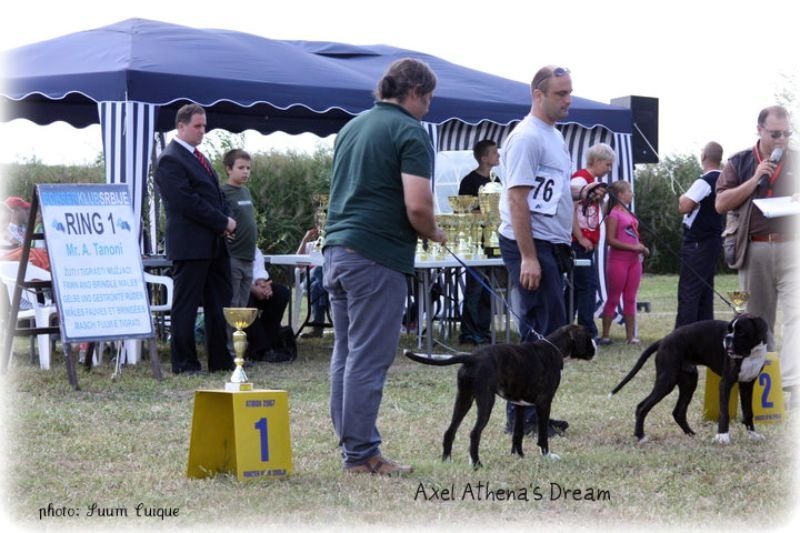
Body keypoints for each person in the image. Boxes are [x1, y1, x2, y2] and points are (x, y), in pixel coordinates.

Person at [322, 58, 446, 476]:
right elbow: (417, 204)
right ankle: (361, 455)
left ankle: (351, 446)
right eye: (428, 99)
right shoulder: (410, 131)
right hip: (377, 256)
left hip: (337, 252)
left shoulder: (352, 127)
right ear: (415, 93)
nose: (428, 108)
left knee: (345, 353)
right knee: (368, 359)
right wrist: (436, 233)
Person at [497, 65, 576, 435]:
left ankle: (535, 410)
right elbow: (517, 199)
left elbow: (551, 190)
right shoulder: (527, 137)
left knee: (550, 330)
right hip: (530, 243)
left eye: (569, 92)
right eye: (560, 93)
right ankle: (522, 416)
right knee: (539, 333)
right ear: (538, 95)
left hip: (550, 242)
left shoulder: (554, 136)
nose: (568, 99)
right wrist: (529, 256)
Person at [715, 105, 799, 408]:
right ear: (759, 130)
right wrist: (754, 181)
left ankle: (791, 384)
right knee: (759, 322)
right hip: (756, 247)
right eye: (775, 134)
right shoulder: (739, 161)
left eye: (786, 134)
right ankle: (768, 384)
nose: (781, 140)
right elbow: (721, 203)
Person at [154, 103, 237, 375]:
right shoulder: (170, 159)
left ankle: (220, 359)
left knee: (218, 305)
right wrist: (222, 221)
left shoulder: (199, 157)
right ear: (180, 126)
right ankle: (185, 362)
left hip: (214, 243)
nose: (203, 131)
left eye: (204, 125)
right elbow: (186, 203)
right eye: (197, 126)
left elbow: (217, 195)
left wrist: (226, 218)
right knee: (186, 307)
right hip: (191, 246)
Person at [566, 143, 614, 339]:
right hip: (579, 241)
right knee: (587, 285)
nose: (608, 169)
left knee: (579, 286)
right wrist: (580, 236)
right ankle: (587, 330)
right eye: (607, 164)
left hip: (587, 240)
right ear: (596, 161)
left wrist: (601, 201)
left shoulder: (592, 182)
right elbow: (570, 210)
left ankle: (568, 324)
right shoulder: (580, 180)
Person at [675, 141, 724, 328]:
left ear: (703, 157)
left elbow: (684, 206)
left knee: (689, 291)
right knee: (705, 290)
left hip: (697, 242)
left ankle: (682, 337)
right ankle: (704, 333)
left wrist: (682, 197)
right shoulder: (724, 180)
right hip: (713, 241)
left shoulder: (704, 181)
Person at [457, 139, 500, 345]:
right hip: (476, 241)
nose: (498, 155)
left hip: (493, 240)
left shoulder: (496, 180)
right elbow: (462, 210)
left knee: (488, 287)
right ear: (484, 158)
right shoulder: (469, 181)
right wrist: (484, 212)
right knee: (475, 286)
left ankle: (483, 329)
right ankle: (468, 330)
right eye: (494, 153)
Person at [599, 180, 649, 345]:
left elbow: (633, 236)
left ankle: (631, 337)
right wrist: (634, 247)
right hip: (618, 261)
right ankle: (605, 335)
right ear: (620, 194)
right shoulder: (613, 214)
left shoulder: (629, 213)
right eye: (628, 191)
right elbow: (611, 240)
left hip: (634, 261)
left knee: (630, 298)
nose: (631, 194)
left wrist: (641, 248)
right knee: (613, 298)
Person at [221, 149, 257, 310]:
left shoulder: (246, 192)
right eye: (241, 168)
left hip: (248, 257)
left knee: (243, 305)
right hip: (232, 256)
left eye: (248, 168)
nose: (245, 172)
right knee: (232, 304)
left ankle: (239, 335)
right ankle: (228, 336)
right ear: (229, 169)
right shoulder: (222, 192)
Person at [245, 248, 293, 362]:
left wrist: (262, 283)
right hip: (237, 288)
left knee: (281, 293)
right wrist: (252, 289)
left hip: (254, 285)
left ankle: (269, 340)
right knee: (246, 299)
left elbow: (256, 258)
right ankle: (259, 349)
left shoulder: (248, 239)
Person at [296, 225, 328, 338]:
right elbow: (298, 264)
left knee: (316, 287)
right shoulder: (311, 245)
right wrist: (305, 240)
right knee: (319, 268)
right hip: (308, 281)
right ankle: (323, 287)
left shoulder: (332, 245)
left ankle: (317, 329)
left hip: (320, 284)